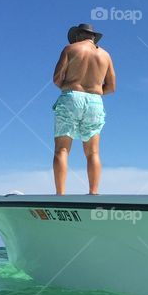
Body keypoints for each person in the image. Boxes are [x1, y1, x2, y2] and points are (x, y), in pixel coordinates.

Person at [52, 23, 116, 195]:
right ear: (93, 37)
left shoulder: (70, 49)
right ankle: (93, 193)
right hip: (96, 101)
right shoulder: (105, 55)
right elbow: (111, 87)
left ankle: (60, 195)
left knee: (62, 149)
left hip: (72, 96)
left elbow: (57, 79)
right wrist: (93, 91)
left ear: (79, 36)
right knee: (93, 151)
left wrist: (72, 86)